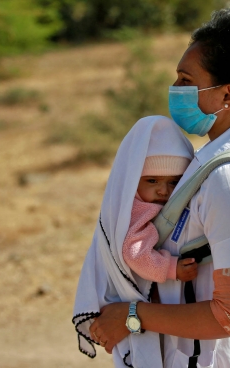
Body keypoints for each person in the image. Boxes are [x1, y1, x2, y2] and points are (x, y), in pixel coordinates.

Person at [88, 8, 230, 368]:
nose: (176, 90)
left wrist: (131, 316)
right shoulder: (219, 157)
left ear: (227, 96)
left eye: (186, 80)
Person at [72, 115, 195, 368]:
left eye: (174, 182)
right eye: (152, 181)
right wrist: (171, 268)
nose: (163, 190)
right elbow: (134, 252)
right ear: (134, 181)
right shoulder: (139, 208)